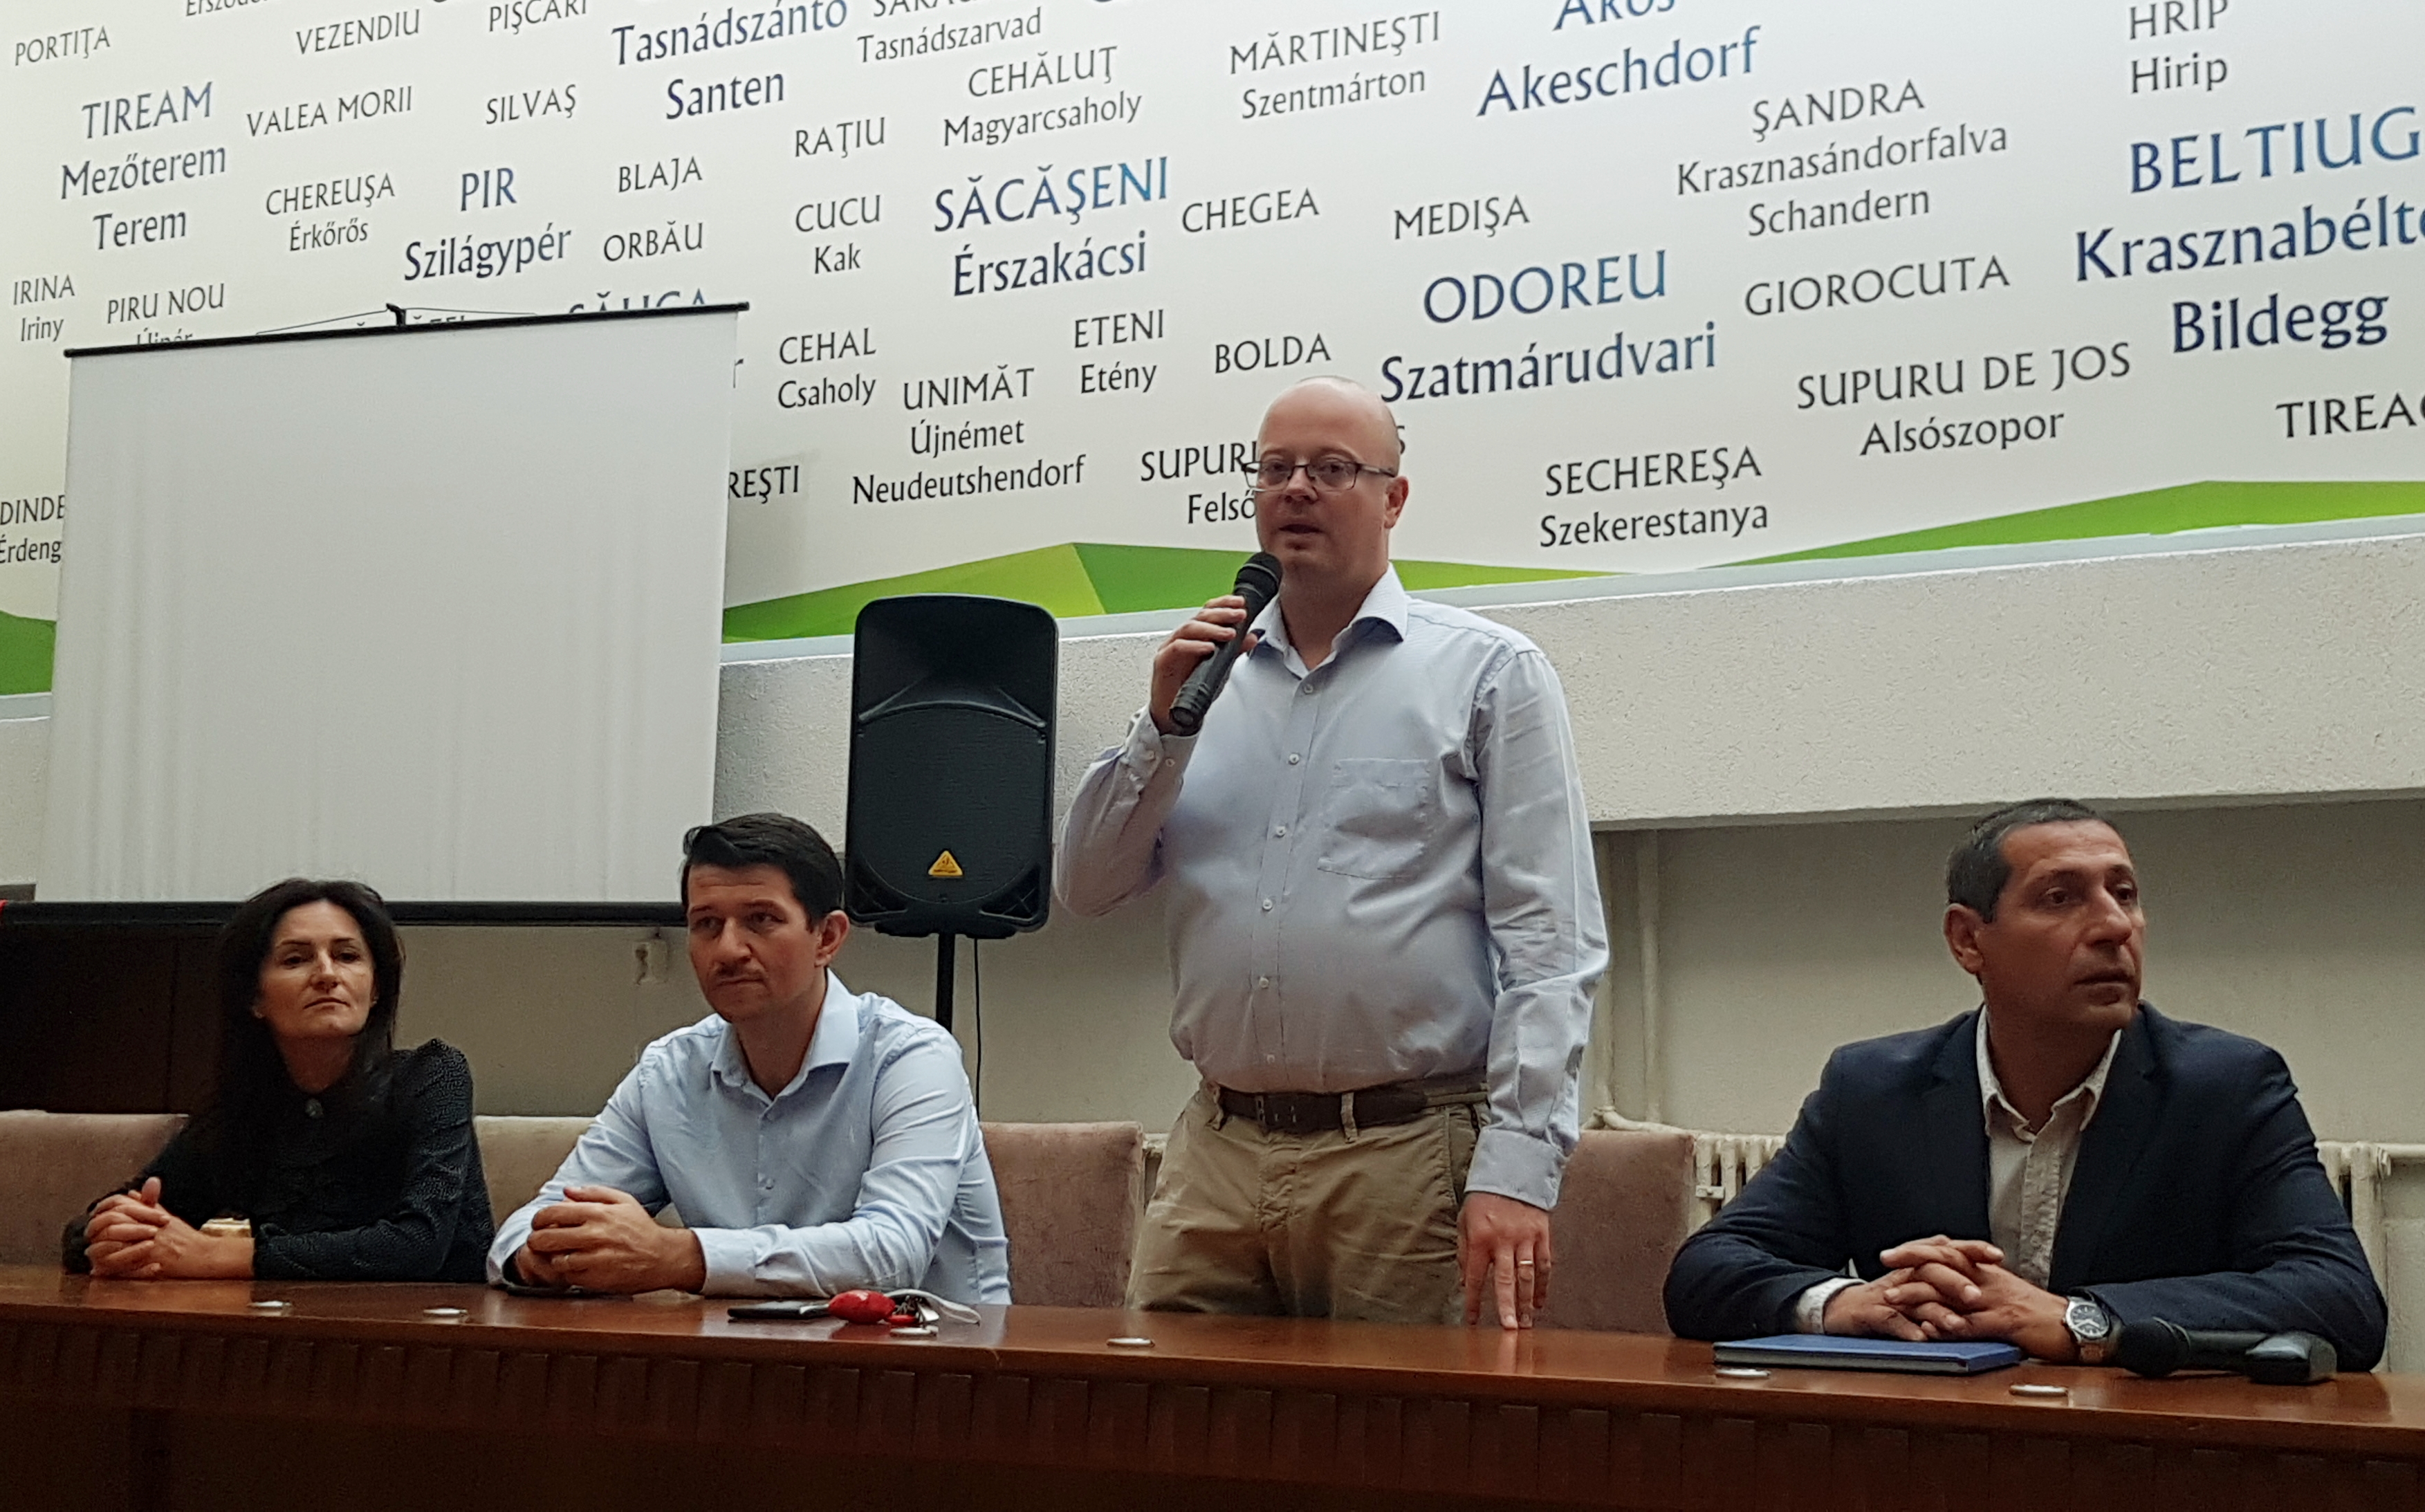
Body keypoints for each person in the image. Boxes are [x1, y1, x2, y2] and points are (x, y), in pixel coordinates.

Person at [1057, 376, 1605, 1331]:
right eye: (1275, 469)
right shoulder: (1204, 678)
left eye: (1332, 469)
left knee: (1392, 1421)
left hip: (1403, 1152)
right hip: (1216, 1149)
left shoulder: (1487, 671)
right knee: (1160, 1417)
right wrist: (1161, 729)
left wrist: (1517, 1166)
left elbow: (1548, 940)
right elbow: (1086, 885)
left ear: (1394, 498)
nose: (1296, 489)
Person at [1663, 800, 2388, 1370]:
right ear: (1967, 940)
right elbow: (1707, 1271)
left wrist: (2080, 1319)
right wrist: (1844, 1303)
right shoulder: (1873, 1090)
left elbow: (2341, 1299)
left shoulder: (2225, 1087)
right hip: (1932, 1454)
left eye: (2125, 894)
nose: (2113, 926)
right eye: (2060, 898)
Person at [490, 812, 1009, 1302]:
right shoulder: (668, 1072)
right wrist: (545, 1256)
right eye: (706, 924)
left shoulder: (911, 1057)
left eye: (761, 920)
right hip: (745, 1355)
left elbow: (893, 1254)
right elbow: (524, 1229)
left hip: (938, 1356)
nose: (728, 950)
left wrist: (679, 1256)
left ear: (827, 938)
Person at [68, 878, 494, 1282]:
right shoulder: (244, 1111)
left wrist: (221, 1256)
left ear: (376, 989)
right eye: (296, 960)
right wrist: (112, 1236)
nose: (327, 974)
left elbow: (418, 1243)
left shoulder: (432, 1074)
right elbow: (92, 1226)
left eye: (347, 957)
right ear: (255, 997)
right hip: (276, 1323)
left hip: (434, 1326)